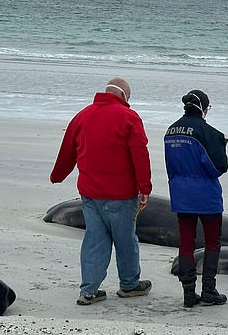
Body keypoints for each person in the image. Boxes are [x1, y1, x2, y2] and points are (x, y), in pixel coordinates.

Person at [50, 77, 153, 306]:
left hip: (90, 195)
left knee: (94, 240)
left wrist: (57, 176)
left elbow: (67, 150)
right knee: (125, 240)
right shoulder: (129, 117)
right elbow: (139, 154)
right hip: (121, 195)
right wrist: (144, 187)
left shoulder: (83, 115)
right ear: (125, 96)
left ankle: (89, 291)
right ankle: (129, 285)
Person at [164, 89, 228, 308]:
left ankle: (188, 292)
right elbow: (219, 167)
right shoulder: (209, 132)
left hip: (181, 193)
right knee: (212, 241)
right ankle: (209, 289)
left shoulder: (170, 131)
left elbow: (170, 166)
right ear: (204, 108)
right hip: (205, 195)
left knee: (185, 242)